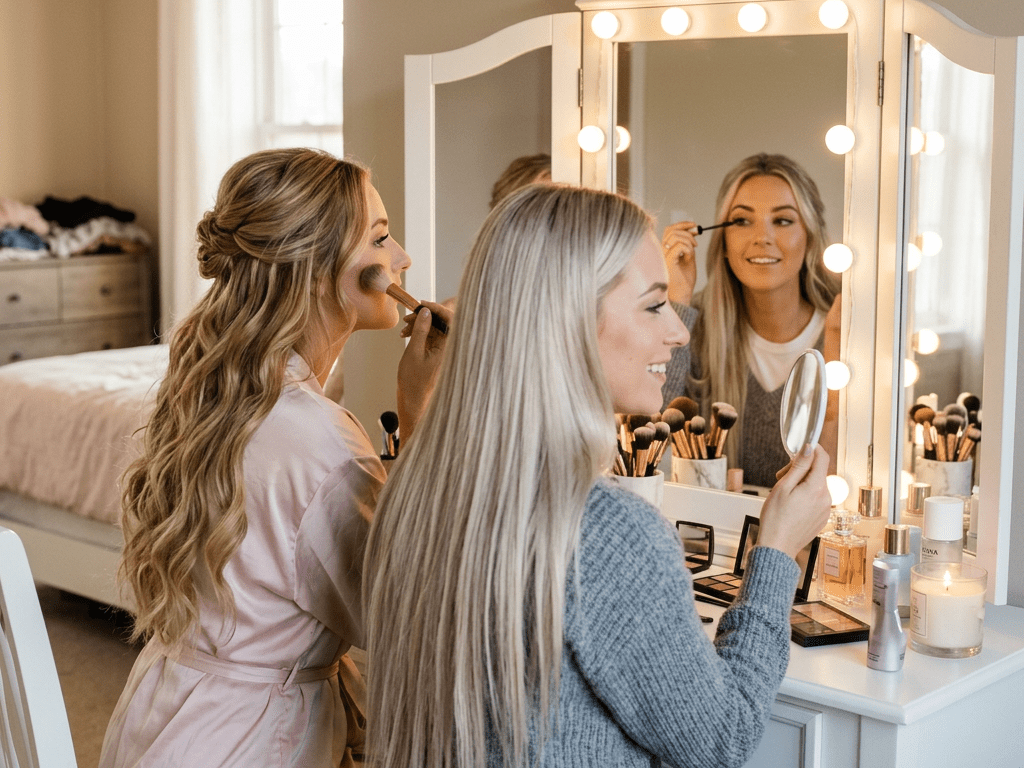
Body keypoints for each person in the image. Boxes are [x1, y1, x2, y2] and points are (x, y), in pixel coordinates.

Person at [363, 184, 832, 768]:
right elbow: (721, 740)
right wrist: (778, 552)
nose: (680, 332)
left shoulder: (415, 490)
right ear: (570, 321)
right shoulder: (609, 533)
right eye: (655, 304)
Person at [99, 148, 452, 768]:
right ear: (318, 272)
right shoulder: (317, 442)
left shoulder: (221, 392)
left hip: (170, 720)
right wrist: (420, 413)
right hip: (247, 744)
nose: (403, 259)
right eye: (380, 238)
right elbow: (405, 613)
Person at [661, 153, 841, 487]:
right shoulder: (696, 331)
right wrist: (677, 299)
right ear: (724, 242)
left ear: (811, 237)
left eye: (783, 221)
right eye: (742, 221)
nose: (762, 237)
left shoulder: (844, 331)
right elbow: (649, 447)